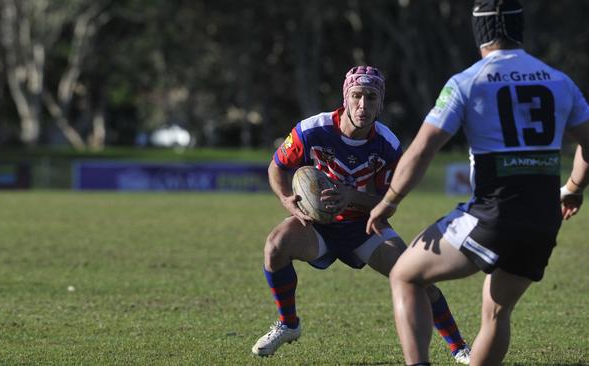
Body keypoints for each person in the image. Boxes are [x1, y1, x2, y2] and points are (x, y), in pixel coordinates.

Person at [366, 1, 589, 365]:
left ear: (479, 32)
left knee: (405, 274)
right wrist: (574, 189)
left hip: (493, 214)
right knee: (496, 312)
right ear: (520, 30)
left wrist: (390, 199)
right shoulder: (559, 81)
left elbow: (422, 150)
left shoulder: (467, 81)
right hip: (543, 219)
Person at [251, 65, 471, 364]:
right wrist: (287, 200)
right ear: (345, 97)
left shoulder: (388, 145)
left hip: (365, 226)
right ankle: (288, 325)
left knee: (417, 277)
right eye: (356, 96)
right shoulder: (312, 130)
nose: (363, 105)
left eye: (371, 97)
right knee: (276, 245)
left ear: (381, 102)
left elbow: (388, 202)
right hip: (318, 225)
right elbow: (277, 167)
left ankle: (459, 348)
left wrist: (351, 196)